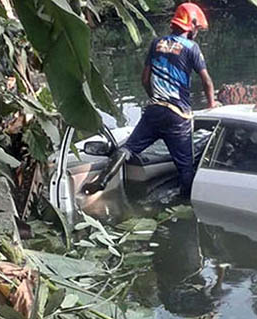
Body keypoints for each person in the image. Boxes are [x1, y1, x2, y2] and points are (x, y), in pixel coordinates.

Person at [82, 2, 217, 198]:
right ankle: (184, 204)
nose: (197, 32)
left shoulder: (156, 43)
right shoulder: (191, 47)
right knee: (186, 167)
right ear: (191, 26)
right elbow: (207, 81)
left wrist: (155, 99)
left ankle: (102, 180)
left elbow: (145, 79)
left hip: (154, 111)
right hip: (178, 115)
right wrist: (211, 104)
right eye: (197, 28)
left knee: (127, 149)